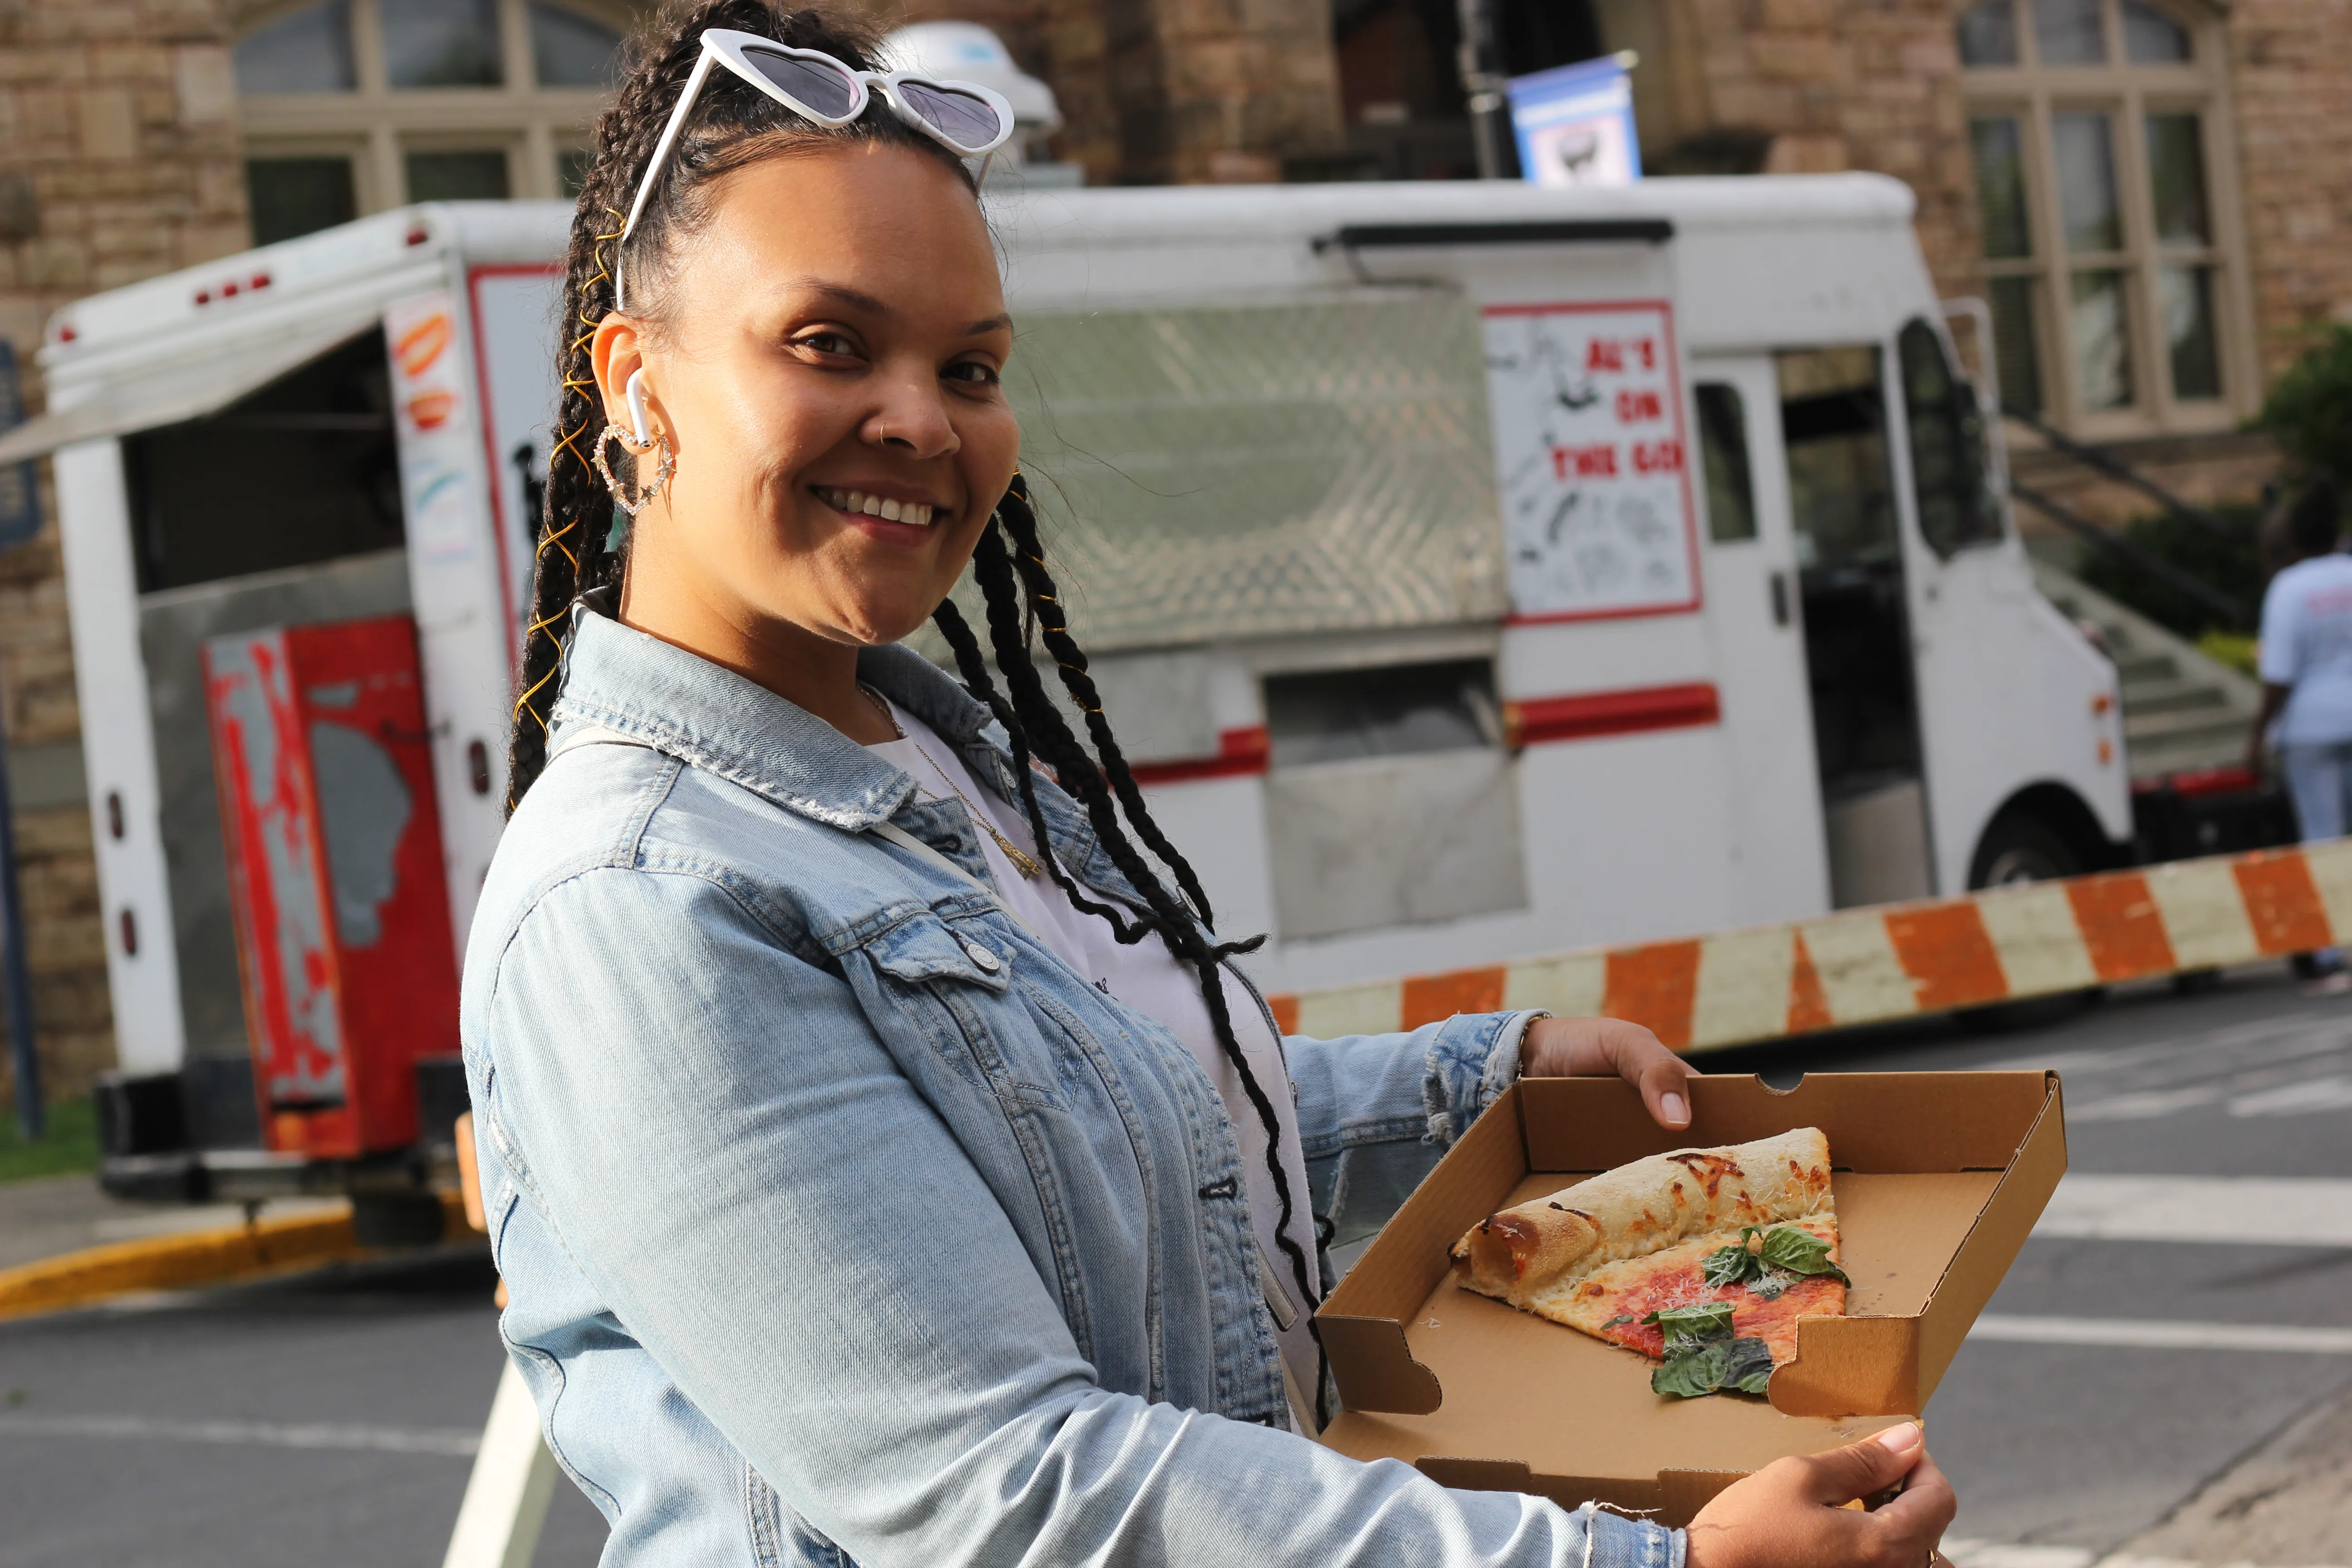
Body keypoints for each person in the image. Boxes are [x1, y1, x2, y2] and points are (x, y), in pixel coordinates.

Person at [462, 5, 1958, 1563]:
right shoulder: (639, 901)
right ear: (635, 380)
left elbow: (1116, 1134)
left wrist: (1485, 1081)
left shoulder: (933, 755)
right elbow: (1001, 1488)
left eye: (969, 364)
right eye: (831, 342)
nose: (922, 415)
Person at [2252, 477, 2352, 981]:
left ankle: (2326, 954)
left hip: (2310, 729)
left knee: (2322, 839)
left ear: (2293, 540)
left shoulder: (2289, 589)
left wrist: (2256, 738)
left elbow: (2279, 678)